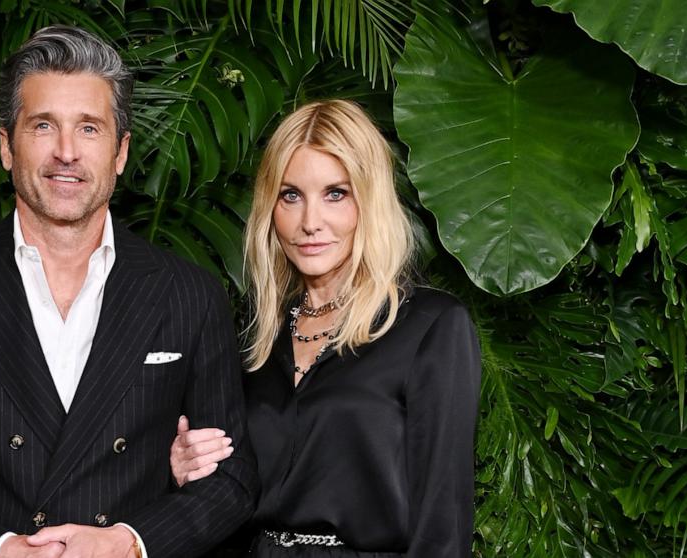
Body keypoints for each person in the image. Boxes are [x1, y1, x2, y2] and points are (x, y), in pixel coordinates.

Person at [0, 25, 256, 558]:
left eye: (89, 129)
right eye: (43, 125)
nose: (67, 152)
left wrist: (131, 543)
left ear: (120, 152)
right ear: (6, 146)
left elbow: (231, 479)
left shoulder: (189, 295)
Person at [169, 100, 481, 557]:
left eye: (336, 193)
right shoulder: (254, 338)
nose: (310, 222)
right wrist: (182, 471)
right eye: (290, 195)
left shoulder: (430, 327)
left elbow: (442, 523)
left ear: (369, 201)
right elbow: (227, 501)